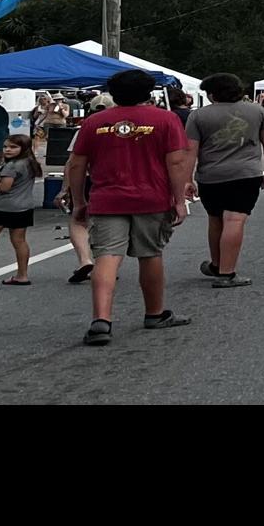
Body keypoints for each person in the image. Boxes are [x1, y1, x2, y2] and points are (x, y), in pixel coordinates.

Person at [66, 69, 191, 346]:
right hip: (152, 198)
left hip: (107, 198)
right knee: (150, 254)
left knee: (107, 257)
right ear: (149, 93)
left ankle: (101, 319)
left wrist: (79, 201)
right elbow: (176, 163)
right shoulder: (166, 120)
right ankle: (155, 313)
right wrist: (179, 200)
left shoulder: (94, 122)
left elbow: (76, 164)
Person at [186, 72, 264, 288]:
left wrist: (187, 179)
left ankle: (217, 264)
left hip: (210, 176)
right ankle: (227, 273)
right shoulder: (257, 111)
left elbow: (190, 150)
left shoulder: (198, 116)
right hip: (246, 174)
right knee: (235, 220)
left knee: (215, 218)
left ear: (211, 94)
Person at [0, 134, 42, 289]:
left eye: (13, 147)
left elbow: (4, 188)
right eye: (5, 147)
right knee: (19, 240)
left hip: (2, 206)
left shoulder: (12, 166)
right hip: (24, 206)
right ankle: (22, 275)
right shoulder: (30, 163)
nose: (8, 150)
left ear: (23, 148)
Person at [54, 129, 95, 284]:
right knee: (110, 223)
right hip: (119, 181)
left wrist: (65, 189)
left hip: (87, 178)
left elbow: (73, 162)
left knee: (78, 220)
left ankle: (85, 260)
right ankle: (107, 265)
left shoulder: (88, 127)